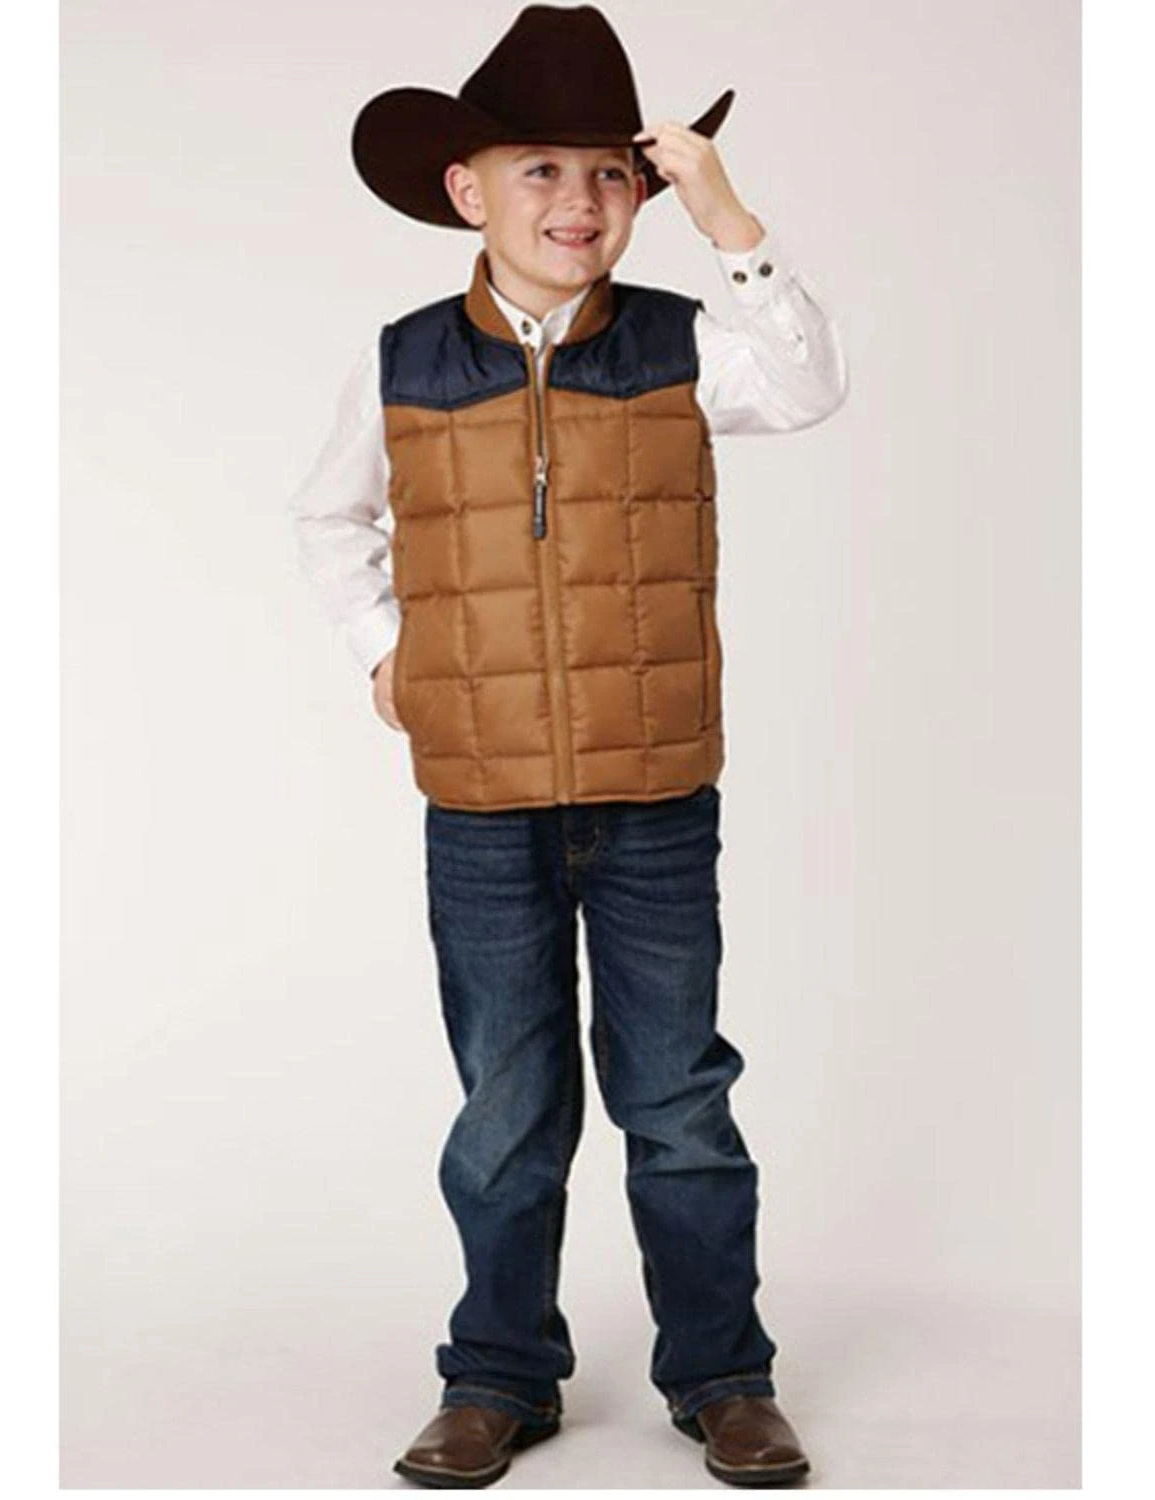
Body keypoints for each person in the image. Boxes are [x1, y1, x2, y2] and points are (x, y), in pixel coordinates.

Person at [289, 4, 847, 1487]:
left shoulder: (681, 345)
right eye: (539, 170)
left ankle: (723, 1374)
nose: (578, 202)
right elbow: (329, 517)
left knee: (679, 1100)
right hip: (481, 804)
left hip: (655, 795)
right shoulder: (405, 362)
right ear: (465, 190)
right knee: (506, 1106)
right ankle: (498, 1375)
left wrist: (728, 218)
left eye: (610, 173)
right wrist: (382, 651)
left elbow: (808, 385)